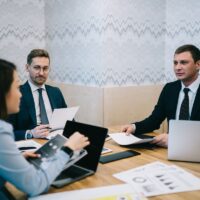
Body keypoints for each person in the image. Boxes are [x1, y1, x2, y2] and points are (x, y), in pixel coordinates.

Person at [0, 59, 90, 198]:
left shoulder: (55, 92)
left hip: (49, 143)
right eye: (16, 87)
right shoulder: (2, 130)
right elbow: (36, 185)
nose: (20, 94)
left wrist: (13, 159)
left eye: (45, 68)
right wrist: (68, 149)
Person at [122, 44, 200, 148]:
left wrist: (175, 140)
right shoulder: (170, 89)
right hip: (170, 151)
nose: (178, 67)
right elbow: (154, 120)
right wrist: (134, 127)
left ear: (198, 64)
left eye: (184, 63)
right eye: (175, 63)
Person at [8, 49, 67, 141]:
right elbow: (6, 132)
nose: (41, 73)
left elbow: (69, 121)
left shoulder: (56, 92)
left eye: (45, 68)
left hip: (56, 140)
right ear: (27, 68)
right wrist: (30, 133)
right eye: (37, 67)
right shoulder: (16, 93)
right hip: (31, 143)